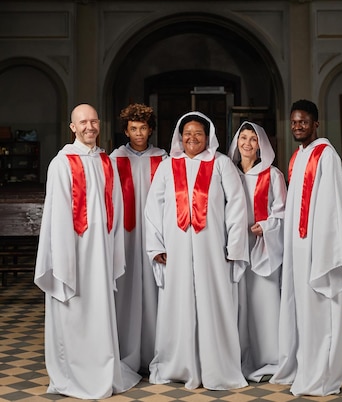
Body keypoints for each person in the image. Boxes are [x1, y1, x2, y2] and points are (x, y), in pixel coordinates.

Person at [34, 104, 140, 399]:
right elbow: (57, 215)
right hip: (74, 251)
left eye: (94, 121)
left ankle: (101, 368)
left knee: (99, 309)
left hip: (101, 250)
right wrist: (65, 259)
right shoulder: (61, 163)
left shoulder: (104, 160)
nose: (89, 126)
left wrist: (113, 246)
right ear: (73, 127)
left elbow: (115, 207)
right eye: (83, 122)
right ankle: (74, 373)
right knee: (75, 308)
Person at [144, 111, 249, 390]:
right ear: (180, 136)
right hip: (176, 250)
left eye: (198, 133)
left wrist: (234, 244)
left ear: (208, 136)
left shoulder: (221, 164)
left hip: (212, 249)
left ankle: (216, 366)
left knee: (213, 301)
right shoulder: (168, 166)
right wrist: (156, 246)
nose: (192, 138)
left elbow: (237, 205)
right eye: (187, 133)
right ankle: (178, 363)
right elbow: (153, 208)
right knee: (177, 303)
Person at [270, 99, 342, 396]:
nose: (298, 126)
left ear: (316, 124)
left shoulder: (326, 155)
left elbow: (332, 207)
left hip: (318, 247)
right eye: (294, 122)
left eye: (304, 122)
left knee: (320, 310)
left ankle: (322, 376)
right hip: (299, 246)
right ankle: (305, 366)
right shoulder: (299, 156)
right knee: (302, 310)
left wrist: (324, 251)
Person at [110, 103, 167, 375]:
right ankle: (127, 350)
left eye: (143, 128)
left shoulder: (163, 158)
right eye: (133, 129)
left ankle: (157, 351)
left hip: (155, 235)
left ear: (151, 129)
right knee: (127, 290)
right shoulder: (114, 159)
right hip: (126, 236)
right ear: (125, 131)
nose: (139, 134)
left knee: (155, 291)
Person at [228, 121, 286, 382]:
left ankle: (270, 358)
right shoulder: (228, 173)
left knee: (264, 303)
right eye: (243, 138)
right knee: (238, 305)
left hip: (263, 249)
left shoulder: (272, 175)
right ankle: (238, 356)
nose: (248, 144)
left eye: (253, 139)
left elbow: (282, 213)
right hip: (236, 248)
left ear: (261, 145)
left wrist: (264, 226)